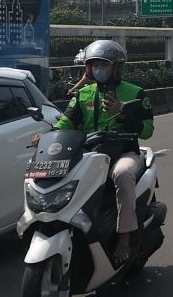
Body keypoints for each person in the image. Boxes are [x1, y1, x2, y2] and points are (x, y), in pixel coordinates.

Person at [54, 40, 153, 266]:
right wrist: (49, 134)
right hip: (91, 153)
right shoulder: (83, 94)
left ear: (117, 67)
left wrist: (122, 113)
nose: (98, 69)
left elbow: (147, 130)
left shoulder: (135, 92)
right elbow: (67, 121)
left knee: (123, 175)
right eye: (94, 65)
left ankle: (124, 238)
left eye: (104, 65)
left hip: (124, 153)